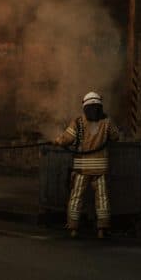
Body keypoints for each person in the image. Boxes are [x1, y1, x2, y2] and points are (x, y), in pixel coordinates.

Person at [54, 91, 119, 238]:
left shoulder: (78, 122)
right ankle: (102, 229)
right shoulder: (107, 122)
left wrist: (57, 141)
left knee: (76, 197)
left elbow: (66, 139)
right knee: (102, 198)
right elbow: (116, 136)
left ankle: (73, 228)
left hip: (82, 169)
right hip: (100, 168)